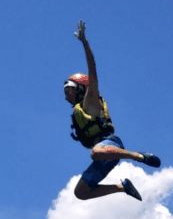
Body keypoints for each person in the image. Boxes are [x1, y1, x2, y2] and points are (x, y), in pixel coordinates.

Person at [65, 21, 161, 201]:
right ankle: (122, 187)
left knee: (95, 152)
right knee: (81, 192)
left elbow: (92, 70)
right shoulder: (78, 109)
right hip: (103, 155)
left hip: (110, 144)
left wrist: (85, 43)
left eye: (69, 90)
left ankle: (139, 157)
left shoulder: (91, 99)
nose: (66, 96)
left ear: (80, 89)